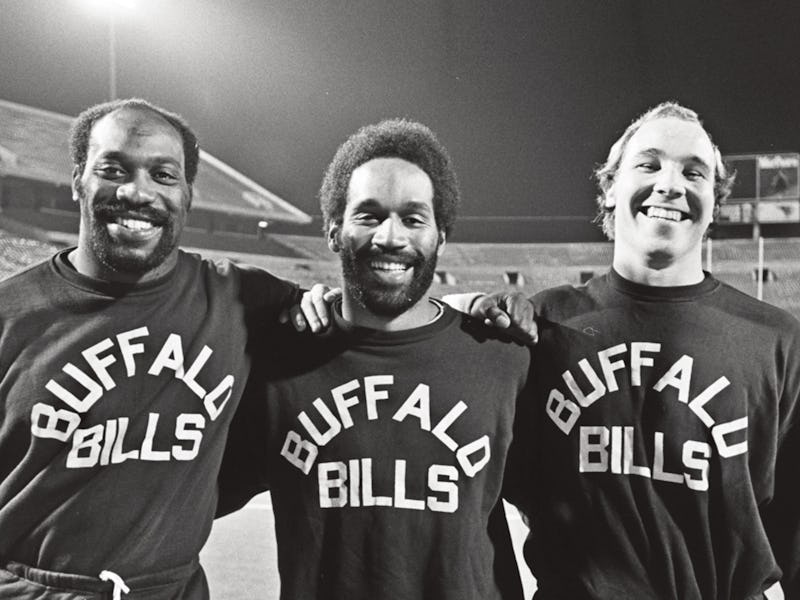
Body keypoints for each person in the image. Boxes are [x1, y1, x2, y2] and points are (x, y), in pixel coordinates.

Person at [458, 101, 800, 599]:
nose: (670, 184)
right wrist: (464, 305)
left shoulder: (777, 341)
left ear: (715, 202)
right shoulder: (542, 327)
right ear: (610, 187)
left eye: (694, 172)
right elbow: (480, 499)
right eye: (648, 164)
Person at [0, 98, 304, 599]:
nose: (137, 192)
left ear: (187, 194)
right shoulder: (10, 315)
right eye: (113, 170)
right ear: (78, 179)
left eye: (163, 175)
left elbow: (366, 329)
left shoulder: (242, 299)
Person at [218, 118, 533, 599]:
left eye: (413, 218)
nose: (390, 237)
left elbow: (574, 511)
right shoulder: (277, 362)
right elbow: (187, 497)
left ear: (441, 237)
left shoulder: (502, 356)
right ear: (333, 231)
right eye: (369, 215)